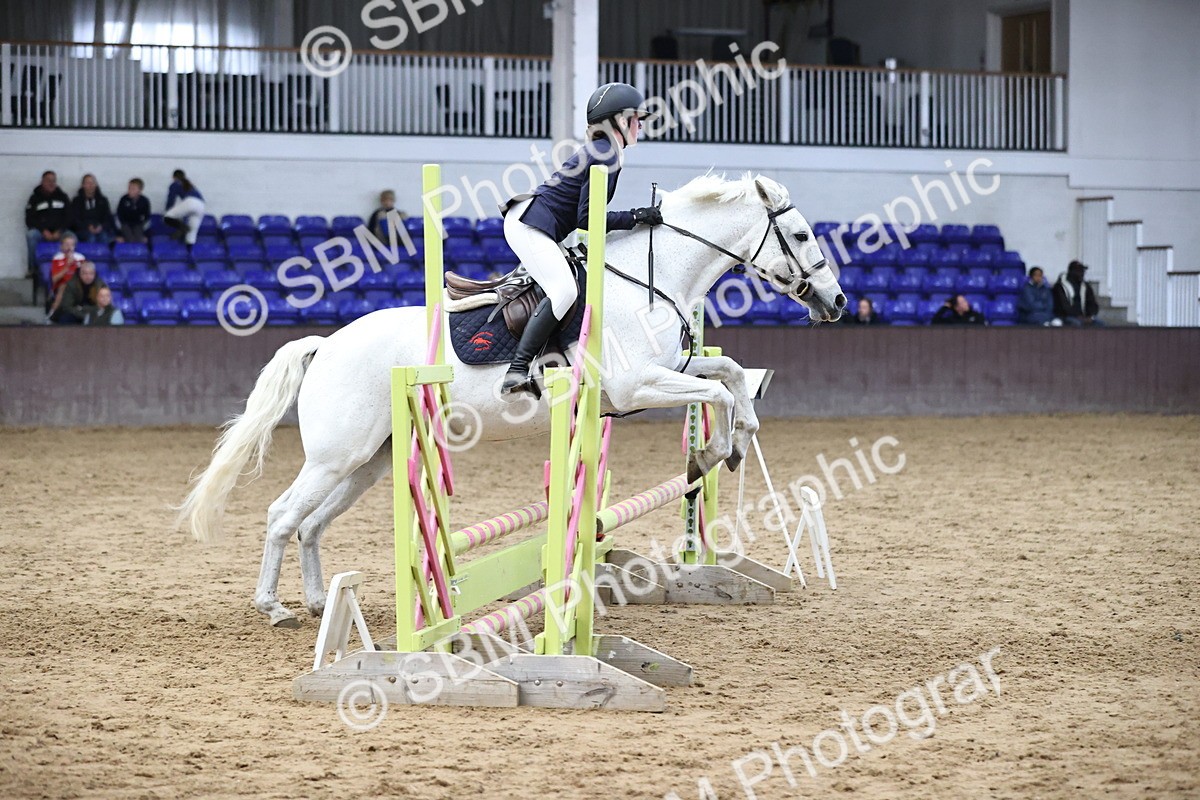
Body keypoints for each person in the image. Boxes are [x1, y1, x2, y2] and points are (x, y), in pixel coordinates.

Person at [498, 82, 661, 395]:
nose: (640, 125)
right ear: (618, 120)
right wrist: (635, 218)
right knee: (563, 291)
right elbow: (588, 219)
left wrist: (634, 218)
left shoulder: (606, 152)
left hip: (540, 224)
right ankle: (517, 370)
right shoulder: (606, 154)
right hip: (530, 225)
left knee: (573, 285)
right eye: (635, 119)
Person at [24, 170, 71, 276]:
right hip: (42, 232)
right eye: (48, 181)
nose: (51, 183)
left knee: (72, 237)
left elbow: (69, 217)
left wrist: (60, 230)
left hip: (60, 232)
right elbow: (29, 219)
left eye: (53, 181)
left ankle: (71, 267)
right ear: (42, 182)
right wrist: (43, 230)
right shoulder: (34, 198)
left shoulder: (62, 196)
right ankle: (33, 269)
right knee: (31, 235)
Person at [69, 173, 116, 244]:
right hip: (82, 230)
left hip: (100, 230)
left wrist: (101, 226)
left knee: (104, 237)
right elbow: (74, 219)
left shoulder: (103, 200)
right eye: (88, 183)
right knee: (91, 238)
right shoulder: (77, 201)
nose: (90, 185)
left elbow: (108, 218)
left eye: (92, 183)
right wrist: (87, 226)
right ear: (83, 185)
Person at [1053, 260, 1103, 326]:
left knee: (1100, 324)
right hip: (1066, 316)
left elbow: (1092, 303)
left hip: (1084, 316)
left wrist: (1090, 315)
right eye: (1079, 271)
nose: (1082, 273)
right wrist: (1077, 316)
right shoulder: (1060, 286)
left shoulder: (1085, 286)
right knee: (1077, 324)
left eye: (1082, 271)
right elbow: (1063, 306)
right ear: (1071, 271)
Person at [163, 169, 205, 245]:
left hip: (191, 202)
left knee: (167, 217)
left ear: (173, 177)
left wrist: (167, 210)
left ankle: (183, 228)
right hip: (201, 205)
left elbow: (171, 199)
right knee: (192, 234)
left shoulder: (175, 183)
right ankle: (190, 253)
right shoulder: (190, 184)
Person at [49, 231, 86, 300]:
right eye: (67, 245)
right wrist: (67, 266)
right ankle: (53, 310)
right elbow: (54, 279)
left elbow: (84, 276)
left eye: (72, 245)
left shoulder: (80, 258)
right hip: (61, 287)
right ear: (61, 246)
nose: (69, 247)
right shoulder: (57, 258)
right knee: (64, 286)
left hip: (77, 286)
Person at [116, 178, 152, 244]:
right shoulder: (123, 199)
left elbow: (147, 218)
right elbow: (119, 216)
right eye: (129, 188)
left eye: (133, 189)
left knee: (139, 240)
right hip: (125, 224)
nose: (130, 190)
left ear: (140, 190)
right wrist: (119, 234)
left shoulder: (144, 201)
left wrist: (145, 235)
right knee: (130, 239)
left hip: (138, 224)